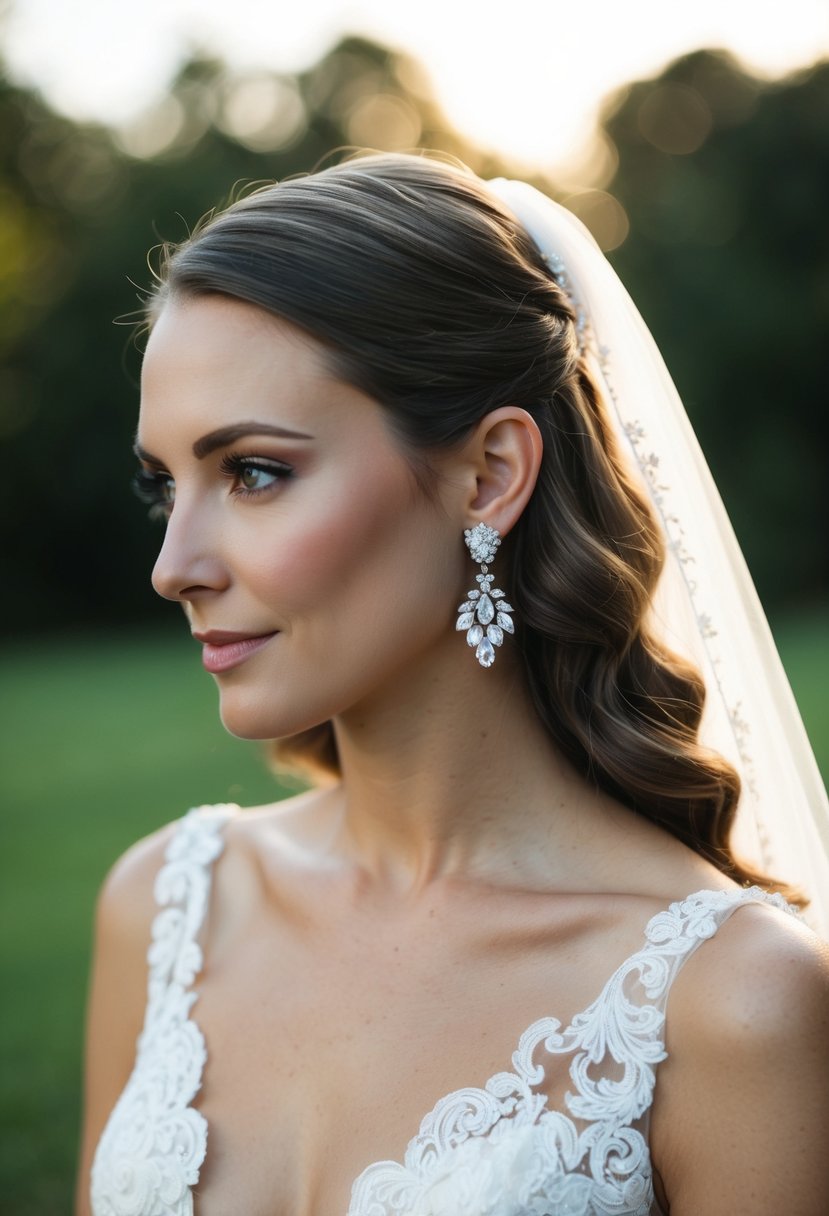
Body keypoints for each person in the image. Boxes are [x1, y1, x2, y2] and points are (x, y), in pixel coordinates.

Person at [77, 153, 829, 1216]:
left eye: (252, 472)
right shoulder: (165, 906)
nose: (174, 565)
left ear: (488, 475)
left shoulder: (731, 1003)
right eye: (167, 484)